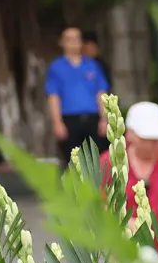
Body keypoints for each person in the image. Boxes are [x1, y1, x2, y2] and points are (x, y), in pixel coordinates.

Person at [46, 25, 110, 167]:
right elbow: (53, 96)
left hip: (92, 118)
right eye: (69, 39)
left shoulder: (93, 65)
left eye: (77, 38)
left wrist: (104, 119)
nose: (74, 42)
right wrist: (57, 122)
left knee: (96, 162)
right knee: (73, 163)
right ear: (61, 42)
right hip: (70, 120)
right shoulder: (56, 67)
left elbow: (101, 92)